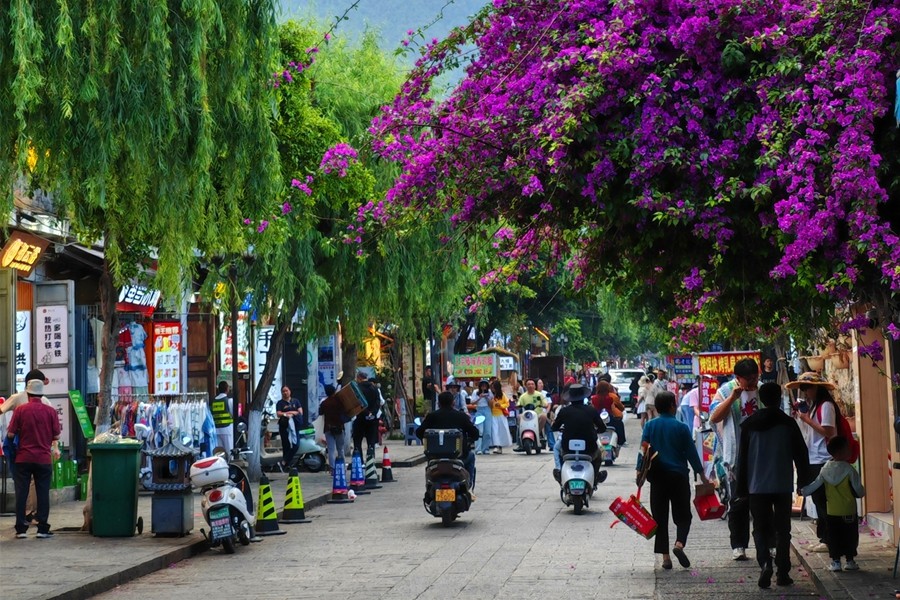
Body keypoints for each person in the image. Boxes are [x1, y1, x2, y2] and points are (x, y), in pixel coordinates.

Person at [736, 382, 810, 588]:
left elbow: (742, 459)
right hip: (782, 484)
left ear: (761, 399)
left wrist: (741, 488)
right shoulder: (788, 423)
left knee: (759, 528)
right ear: (779, 399)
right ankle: (783, 572)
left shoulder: (749, 425)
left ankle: (765, 563)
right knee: (783, 529)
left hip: (756, 486)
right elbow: (801, 454)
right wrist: (803, 481)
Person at [636, 391, 709, 570]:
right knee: (683, 515)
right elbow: (691, 452)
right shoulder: (681, 427)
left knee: (659, 517)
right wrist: (701, 474)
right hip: (678, 477)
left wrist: (639, 473)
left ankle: (666, 558)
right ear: (672, 406)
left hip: (657, 478)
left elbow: (643, 450)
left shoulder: (650, 426)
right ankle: (679, 544)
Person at [709, 357, 761, 560]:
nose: (753, 382)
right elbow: (714, 417)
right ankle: (739, 545)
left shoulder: (762, 389)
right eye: (749, 379)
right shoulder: (725, 391)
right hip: (736, 456)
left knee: (762, 502)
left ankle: (767, 544)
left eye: (755, 377)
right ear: (738, 378)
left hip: (760, 454)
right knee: (738, 502)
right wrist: (732, 398)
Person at [785, 371, 839, 554]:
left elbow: (829, 432)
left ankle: (829, 540)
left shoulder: (826, 406)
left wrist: (807, 419)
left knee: (823, 501)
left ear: (817, 388)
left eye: (807, 388)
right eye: (803, 388)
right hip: (814, 458)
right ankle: (824, 538)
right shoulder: (814, 406)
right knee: (818, 500)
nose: (805, 392)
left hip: (823, 458)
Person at [800, 436, 865, 572]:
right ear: (841, 452)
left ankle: (836, 562)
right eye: (848, 448)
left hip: (832, 511)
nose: (850, 450)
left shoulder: (825, 469)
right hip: (848, 511)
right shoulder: (849, 470)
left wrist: (803, 491)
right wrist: (861, 493)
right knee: (849, 536)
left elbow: (815, 485)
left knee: (834, 536)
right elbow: (859, 491)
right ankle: (850, 560)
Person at [7, 379, 61, 538]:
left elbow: (10, 434)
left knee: (21, 493)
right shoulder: (50, 411)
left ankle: (21, 529)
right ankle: (42, 529)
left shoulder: (20, 410)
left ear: (28, 394)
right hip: (43, 459)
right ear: (41, 394)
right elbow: (56, 435)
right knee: (43, 493)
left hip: (23, 458)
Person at [416, 391, 480, 486]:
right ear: (453, 403)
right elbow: (475, 434)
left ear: (438, 403)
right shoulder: (461, 416)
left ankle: (429, 486)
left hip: (435, 457)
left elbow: (419, 432)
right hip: (459, 457)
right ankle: (468, 484)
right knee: (471, 456)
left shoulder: (431, 416)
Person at [551, 383, 607, 484]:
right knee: (599, 454)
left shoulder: (564, 411)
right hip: (589, 449)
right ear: (583, 397)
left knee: (558, 451)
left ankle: (559, 471)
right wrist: (595, 431)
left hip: (568, 449)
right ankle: (595, 476)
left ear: (570, 398)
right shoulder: (591, 410)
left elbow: (554, 427)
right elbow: (602, 428)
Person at [318, 384, 347, 473]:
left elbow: (320, 413)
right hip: (339, 427)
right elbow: (345, 411)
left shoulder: (324, 403)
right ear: (334, 391)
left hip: (328, 428)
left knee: (331, 450)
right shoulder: (340, 401)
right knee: (340, 449)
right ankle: (342, 467)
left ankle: (333, 469)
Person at [352, 372, 381, 458]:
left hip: (360, 418)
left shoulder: (357, 389)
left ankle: (359, 460)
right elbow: (378, 402)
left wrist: (365, 412)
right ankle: (371, 460)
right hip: (372, 419)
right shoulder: (374, 388)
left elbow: (357, 403)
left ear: (359, 378)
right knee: (371, 441)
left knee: (357, 441)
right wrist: (372, 412)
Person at [276, 385, 304, 468]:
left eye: (286, 390)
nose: (285, 393)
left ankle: (284, 462)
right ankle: (286, 465)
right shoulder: (280, 403)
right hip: (284, 427)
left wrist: (291, 413)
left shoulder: (295, 401)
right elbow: (278, 414)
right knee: (286, 445)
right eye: (283, 391)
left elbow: (300, 412)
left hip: (295, 426)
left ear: (290, 391)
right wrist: (288, 413)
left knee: (296, 445)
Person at [516, 379, 548, 448]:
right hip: (527, 415)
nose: (530, 386)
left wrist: (543, 405)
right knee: (519, 417)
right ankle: (520, 438)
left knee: (543, 416)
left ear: (535, 386)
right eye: (528, 384)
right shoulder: (523, 396)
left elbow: (545, 403)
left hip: (537, 415)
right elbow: (518, 404)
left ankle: (537, 432)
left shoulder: (539, 395)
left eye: (532, 384)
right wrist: (517, 405)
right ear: (526, 386)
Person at [591, 381, 626, 446]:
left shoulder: (593, 398)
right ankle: (621, 442)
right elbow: (612, 410)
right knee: (620, 424)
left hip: (597, 418)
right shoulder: (610, 398)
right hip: (608, 418)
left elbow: (592, 408)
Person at [469, 380, 493, 454]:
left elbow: (491, 404)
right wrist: (479, 397)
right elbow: (472, 402)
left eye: (485, 386)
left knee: (487, 431)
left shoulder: (489, 392)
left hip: (487, 410)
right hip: (479, 410)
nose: (483, 387)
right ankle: (478, 449)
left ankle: (485, 448)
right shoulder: (475, 392)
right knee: (480, 430)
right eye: (482, 386)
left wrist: (487, 397)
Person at [489, 381, 513, 454]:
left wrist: (501, 406)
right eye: (492, 387)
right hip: (492, 415)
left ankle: (500, 446)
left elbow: (507, 403)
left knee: (501, 431)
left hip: (501, 415)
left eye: (494, 387)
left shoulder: (502, 395)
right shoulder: (490, 395)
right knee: (494, 431)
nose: (493, 389)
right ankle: (496, 446)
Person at [210, 381, 234, 455]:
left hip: (216, 430)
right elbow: (234, 414)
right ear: (227, 389)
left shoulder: (213, 401)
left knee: (219, 453)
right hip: (227, 429)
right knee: (229, 451)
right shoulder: (229, 400)